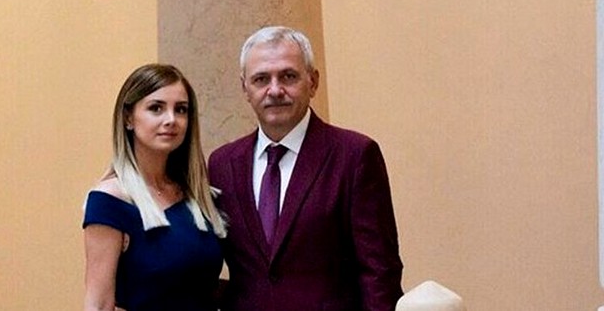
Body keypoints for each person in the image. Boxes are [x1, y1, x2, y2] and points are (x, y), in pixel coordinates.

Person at [208, 26, 404, 311]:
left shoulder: (354, 155)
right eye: (261, 79)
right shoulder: (222, 164)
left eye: (288, 76)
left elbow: (380, 271)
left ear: (313, 82)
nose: (275, 90)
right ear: (245, 89)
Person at [83, 63, 227, 311]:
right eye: (156, 108)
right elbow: (99, 304)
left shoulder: (200, 196)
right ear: (128, 118)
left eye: (180, 110)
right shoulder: (109, 201)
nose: (171, 120)